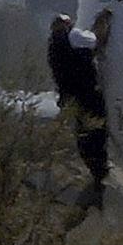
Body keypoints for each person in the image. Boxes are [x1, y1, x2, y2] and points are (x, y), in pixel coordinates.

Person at [47, 14, 108, 206]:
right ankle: (101, 173)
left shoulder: (53, 47)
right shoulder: (73, 36)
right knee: (97, 131)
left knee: (83, 135)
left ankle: (97, 175)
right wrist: (101, 26)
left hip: (71, 99)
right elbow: (94, 41)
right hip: (87, 94)